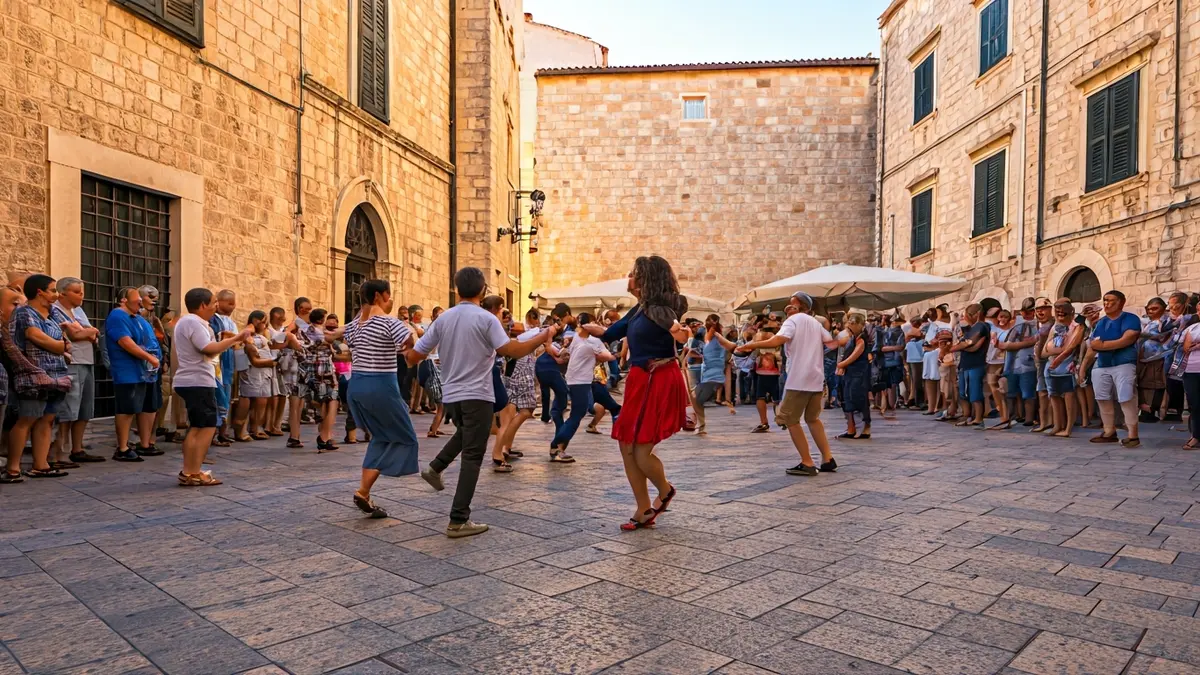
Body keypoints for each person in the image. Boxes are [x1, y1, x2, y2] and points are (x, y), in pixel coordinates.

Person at [410, 267, 555, 538]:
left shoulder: (443, 319)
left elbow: (416, 353)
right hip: (477, 393)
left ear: (456, 289)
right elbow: (510, 350)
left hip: (451, 395)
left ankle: (435, 468)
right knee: (474, 456)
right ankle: (458, 519)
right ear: (483, 290)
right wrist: (541, 337)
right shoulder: (486, 319)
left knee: (466, 433)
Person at [578, 256, 689, 531]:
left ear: (645, 279)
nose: (627, 278)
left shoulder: (662, 308)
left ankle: (664, 490)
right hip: (641, 380)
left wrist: (681, 332)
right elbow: (612, 332)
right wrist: (585, 329)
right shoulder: (640, 308)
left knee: (639, 450)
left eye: (632, 274)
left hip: (657, 378)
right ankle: (643, 507)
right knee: (626, 444)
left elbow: (678, 330)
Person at [338, 279, 419, 518]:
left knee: (382, 437)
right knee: (406, 438)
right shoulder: (388, 322)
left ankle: (364, 493)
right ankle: (365, 488)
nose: (391, 300)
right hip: (380, 384)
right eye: (389, 295)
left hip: (357, 385)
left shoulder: (354, 325)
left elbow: (348, 341)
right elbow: (409, 343)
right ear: (378, 297)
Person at [737, 292, 841, 475]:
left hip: (799, 378)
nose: (787, 307)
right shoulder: (815, 323)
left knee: (790, 419)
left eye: (790, 303)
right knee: (812, 419)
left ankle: (807, 462)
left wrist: (751, 345)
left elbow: (778, 340)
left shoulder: (792, 320)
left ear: (796, 304)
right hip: (816, 378)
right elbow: (832, 343)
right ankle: (827, 458)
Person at [174, 289, 252, 485]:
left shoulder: (191, 322)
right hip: (197, 381)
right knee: (206, 426)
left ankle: (191, 471)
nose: (216, 306)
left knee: (199, 426)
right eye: (213, 302)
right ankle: (192, 471)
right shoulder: (193, 322)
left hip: (195, 380)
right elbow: (207, 348)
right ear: (202, 305)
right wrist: (236, 338)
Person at [4, 275, 71, 481]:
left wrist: (62, 344)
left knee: (47, 419)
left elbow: (67, 337)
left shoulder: (52, 315)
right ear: (39, 292)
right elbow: (35, 336)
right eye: (52, 290)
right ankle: (13, 468)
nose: (56, 294)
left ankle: (41, 465)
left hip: (56, 376)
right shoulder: (24, 313)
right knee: (28, 418)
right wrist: (60, 346)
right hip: (34, 375)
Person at [105, 286, 163, 461]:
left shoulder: (139, 318)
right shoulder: (117, 316)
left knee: (149, 407)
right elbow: (125, 341)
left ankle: (145, 444)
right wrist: (149, 357)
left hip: (148, 372)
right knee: (127, 408)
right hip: (129, 371)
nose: (141, 300)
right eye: (137, 297)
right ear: (124, 300)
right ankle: (122, 448)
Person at [50, 277, 103, 467]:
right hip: (72, 364)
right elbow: (75, 335)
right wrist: (88, 333)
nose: (82, 296)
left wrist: (88, 333)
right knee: (68, 409)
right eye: (77, 292)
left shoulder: (76, 312)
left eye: (82, 291)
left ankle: (77, 449)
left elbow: (92, 333)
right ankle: (59, 453)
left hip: (86, 361)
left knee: (84, 408)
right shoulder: (56, 310)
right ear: (63, 293)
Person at [549, 311, 615, 460]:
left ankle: (558, 447)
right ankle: (556, 446)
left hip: (573, 379)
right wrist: (615, 355)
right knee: (576, 415)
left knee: (576, 414)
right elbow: (607, 356)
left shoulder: (578, 337)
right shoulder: (592, 341)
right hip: (581, 381)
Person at [1090, 290, 1143, 447]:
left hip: (1124, 363)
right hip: (1102, 364)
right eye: (1105, 300)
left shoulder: (1130, 318)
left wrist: (1104, 345)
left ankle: (1133, 435)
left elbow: (1128, 339)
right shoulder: (1101, 322)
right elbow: (1093, 344)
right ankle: (1109, 431)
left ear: (1121, 302)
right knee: (1102, 397)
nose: (1106, 303)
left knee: (1126, 397)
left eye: (1111, 300)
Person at [494, 308, 541, 464]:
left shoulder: (506, 331)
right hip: (515, 373)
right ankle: (500, 451)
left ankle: (505, 447)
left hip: (516, 372)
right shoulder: (515, 331)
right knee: (510, 416)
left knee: (520, 411)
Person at [691, 314, 737, 436]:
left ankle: (700, 424)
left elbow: (730, 346)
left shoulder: (716, 337)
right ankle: (700, 424)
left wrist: (717, 333)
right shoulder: (708, 339)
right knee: (695, 397)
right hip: (707, 374)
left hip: (714, 376)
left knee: (696, 398)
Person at [237, 310, 280, 440]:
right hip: (252, 372)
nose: (266, 326)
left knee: (262, 399)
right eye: (263, 323)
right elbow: (254, 357)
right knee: (248, 398)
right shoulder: (248, 337)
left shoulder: (263, 337)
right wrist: (272, 362)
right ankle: (241, 429)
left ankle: (256, 427)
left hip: (264, 374)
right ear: (256, 321)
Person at [1044, 299, 1084, 438]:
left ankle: (1068, 428)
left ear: (1071, 313)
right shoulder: (1055, 327)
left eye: (1064, 313)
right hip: (1051, 365)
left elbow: (1071, 346)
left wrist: (1058, 357)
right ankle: (1057, 425)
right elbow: (1044, 350)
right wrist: (1052, 353)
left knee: (1068, 396)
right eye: (1058, 313)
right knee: (1053, 395)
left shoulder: (1077, 327)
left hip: (1066, 366)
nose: (1060, 316)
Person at [997, 298, 1039, 428]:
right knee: (1011, 393)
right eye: (1024, 311)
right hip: (1012, 364)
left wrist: (1011, 345)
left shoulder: (1038, 325)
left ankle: (1029, 418)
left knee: (1028, 393)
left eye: (1030, 311)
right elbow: (1004, 344)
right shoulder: (1017, 324)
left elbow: (1031, 341)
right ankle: (1013, 416)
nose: (1027, 314)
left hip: (1028, 362)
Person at [950, 304, 990, 430]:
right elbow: (965, 344)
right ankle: (967, 416)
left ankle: (978, 419)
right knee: (963, 392)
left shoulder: (981, 326)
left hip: (976, 364)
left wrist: (952, 348)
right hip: (965, 364)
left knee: (975, 392)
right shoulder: (970, 328)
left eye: (967, 315)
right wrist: (963, 346)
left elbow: (971, 344)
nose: (965, 317)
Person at [834, 313, 872, 440]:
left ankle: (866, 427)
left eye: (853, 323)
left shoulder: (862, 338)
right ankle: (851, 427)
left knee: (859, 399)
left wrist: (842, 364)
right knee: (846, 399)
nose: (850, 325)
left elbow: (856, 354)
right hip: (849, 373)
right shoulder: (851, 337)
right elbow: (838, 345)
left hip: (859, 374)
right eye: (850, 323)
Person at [536, 303, 572, 427]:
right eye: (557, 319)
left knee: (546, 392)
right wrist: (557, 357)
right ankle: (556, 413)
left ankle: (546, 415)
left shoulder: (560, 328)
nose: (559, 322)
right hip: (548, 365)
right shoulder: (553, 328)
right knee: (562, 391)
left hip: (543, 365)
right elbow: (548, 345)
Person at [1137, 297, 1171, 423]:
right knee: (1145, 384)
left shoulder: (1166, 321)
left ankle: (1152, 410)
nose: (1151, 311)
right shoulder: (1148, 322)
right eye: (1149, 309)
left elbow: (1165, 336)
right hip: (1145, 358)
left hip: (1159, 357)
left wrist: (1142, 335)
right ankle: (1146, 410)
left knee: (1155, 384)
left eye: (1155, 308)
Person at [922, 306, 952, 417]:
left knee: (942, 382)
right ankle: (931, 407)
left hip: (939, 353)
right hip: (928, 354)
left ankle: (943, 407)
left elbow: (945, 340)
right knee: (929, 380)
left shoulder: (946, 325)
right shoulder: (933, 324)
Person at [752, 328, 782, 432]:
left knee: (762, 398)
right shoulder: (777, 343)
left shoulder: (759, 344)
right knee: (775, 399)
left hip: (766, 375)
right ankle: (778, 420)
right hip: (772, 375)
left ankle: (766, 422)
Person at [1179, 314, 1200, 450]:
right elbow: (1186, 348)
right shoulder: (1193, 328)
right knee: (1196, 404)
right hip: (1192, 370)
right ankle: (1196, 436)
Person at [878, 315, 905, 418]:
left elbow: (900, 347)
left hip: (892, 361)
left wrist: (886, 348)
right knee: (889, 385)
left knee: (891, 384)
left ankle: (890, 406)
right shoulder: (883, 332)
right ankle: (889, 406)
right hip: (887, 361)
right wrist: (893, 348)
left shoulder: (898, 332)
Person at [904, 316, 926, 410]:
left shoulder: (920, 330)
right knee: (914, 381)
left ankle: (919, 401)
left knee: (918, 380)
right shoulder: (910, 331)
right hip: (911, 358)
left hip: (918, 358)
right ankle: (913, 399)